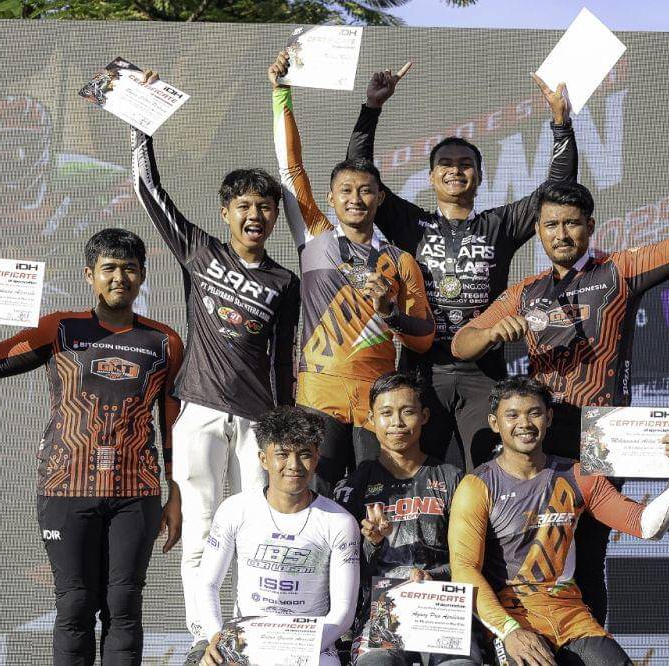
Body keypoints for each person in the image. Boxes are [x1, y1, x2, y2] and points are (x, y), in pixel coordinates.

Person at [450, 138, 669, 623]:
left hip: (604, 428)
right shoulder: (526, 291)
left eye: (571, 223)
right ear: (538, 231)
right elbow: (461, 343)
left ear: (590, 225)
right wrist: (493, 332)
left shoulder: (619, 269)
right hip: (543, 427)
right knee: (531, 545)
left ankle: (585, 643)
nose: (561, 234)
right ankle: (522, 636)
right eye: (551, 225)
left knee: (589, 551)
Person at [0, 228, 183, 666]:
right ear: (89, 274)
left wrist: (176, 491)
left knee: (124, 606)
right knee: (75, 606)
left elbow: (173, 424)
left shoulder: (164, 341)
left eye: (129, 269)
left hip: (136, 494)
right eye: (108, 268)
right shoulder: (60, 328)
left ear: (143, 275)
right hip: (66, 489)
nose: (119, 278)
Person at [129, 69, 302, 661]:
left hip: (257, 421)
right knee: (201, 527)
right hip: (199, 412)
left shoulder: (284, 281)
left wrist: (281, 425)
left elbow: (284, 359)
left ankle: (252, 634)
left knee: (258, 529)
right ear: (226, 212)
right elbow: (150, 192)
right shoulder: (200, 251)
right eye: (244, 206)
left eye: (265, 207)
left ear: (275, 217)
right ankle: (206, 637)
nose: (255, 215)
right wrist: (141, 123)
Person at [344, 63, 577, 471]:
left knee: (486, 474)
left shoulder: (499, 225)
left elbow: (557, 191)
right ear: (431, 177)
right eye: (446, 164)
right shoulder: (409, 223)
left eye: (465, 164)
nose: (455, 169)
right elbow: (360, 176)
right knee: (416, 471)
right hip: (421, 369)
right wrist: (371, 109)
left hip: (482, 372)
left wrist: (561, 124)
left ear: (480, 176)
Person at [268, 53, 434, 493]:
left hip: (376, 405)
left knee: (374, 507)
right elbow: (290, 168)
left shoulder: (401, 261)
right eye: (345, 190)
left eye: (366, 191)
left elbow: (423, 338)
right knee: (313, 499)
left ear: (380, 198)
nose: (355, 199)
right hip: (317, 398)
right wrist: (281, 93)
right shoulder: (315, 237)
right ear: (331, 198)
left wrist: (390, 311)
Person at [448, 378, 669, 666]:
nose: (524, 423)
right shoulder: (477, 485)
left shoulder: (577, 474)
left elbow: (646, 526)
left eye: (534, 413)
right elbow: (464, 570)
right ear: (495, 423)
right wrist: (509, 631)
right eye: (512, 415)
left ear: (549, 417)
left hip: (571, 617)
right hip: (511, 618)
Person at [333, 372, 481, 666]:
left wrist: (436, 576)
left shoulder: (453, 479)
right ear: (371, 419)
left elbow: (471, 559)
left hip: (443, 605)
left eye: (407, 412)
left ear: (424, 416)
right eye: (386, 413)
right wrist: (373, 543)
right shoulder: (352, 487)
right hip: (382, 609)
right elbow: (342, 575)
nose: (397, 423)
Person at [197, 406, 360, 666]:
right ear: (263, 459)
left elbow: (343, 614)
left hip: (312, 644)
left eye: (304, 454)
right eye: (282, 454)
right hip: (246, 640)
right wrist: (216, 637)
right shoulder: (234, 510)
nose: (294, 465)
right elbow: (207, 584)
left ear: (316, 458)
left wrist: (290, 650)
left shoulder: (340, 522)